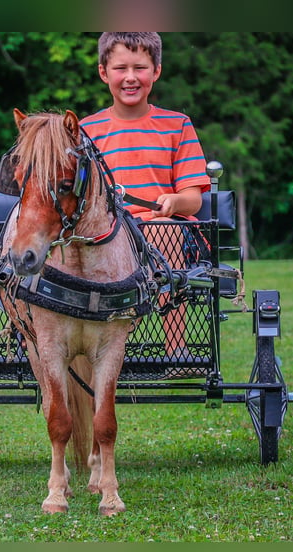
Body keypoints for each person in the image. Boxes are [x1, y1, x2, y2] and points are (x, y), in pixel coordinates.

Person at [80, 32, 211, 370]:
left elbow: (194, 200)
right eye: (120, 68)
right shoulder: (84, 131)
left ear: (156, 71)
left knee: (163, 230)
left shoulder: (177, 125)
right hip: (102, 232)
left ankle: (175, 347)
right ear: (103, 72)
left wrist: (173, 200)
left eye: (140, 67)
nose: (130, 77)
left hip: (156, 231)